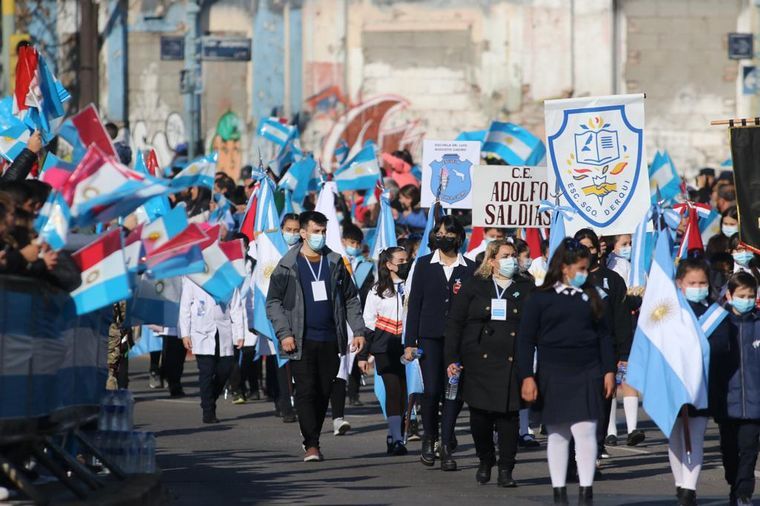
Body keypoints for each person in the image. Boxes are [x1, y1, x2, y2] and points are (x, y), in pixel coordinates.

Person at [518, 238, 615, 505]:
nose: (585, 273)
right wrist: (526, 376)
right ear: (564, 268)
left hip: (588, 370)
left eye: (587, 268)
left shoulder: (593, 296)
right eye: (581, 268)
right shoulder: (539, 298)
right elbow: (525, 340)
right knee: (558, 433)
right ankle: (559, 492)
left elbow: (605, 337)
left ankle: (586, 492)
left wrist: (609, 371)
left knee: (585, 431)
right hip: (553, 371)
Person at [265, 211, 366, 462]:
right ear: (303, 233)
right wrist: (284, 333)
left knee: (323, 391)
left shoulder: (334, 262)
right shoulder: (287, 265)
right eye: (315, 232)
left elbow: (351, 298)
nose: (320, 236)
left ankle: (313, 436)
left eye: (323, 232)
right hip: (300, 339)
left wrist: (359, 330)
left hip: (331, 339)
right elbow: (273, 302)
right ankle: (312, 443)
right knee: (306, 390)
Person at [444, 240, 533, 486]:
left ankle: (506, 469)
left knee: (509, 419)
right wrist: (452, 358)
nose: (512, 260)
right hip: (477, 360)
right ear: (492, 260)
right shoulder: (475, 285)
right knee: (480, 418)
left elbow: (536, 323)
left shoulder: (526, 286)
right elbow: (454, 323)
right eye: (505, 256)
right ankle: (485, 459)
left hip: (513, 360)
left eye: (514, 256)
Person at [405, 215, 477, 471]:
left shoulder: (469, 267)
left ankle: (446, 444)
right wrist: (409, 341)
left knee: (453, 392)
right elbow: (414, 304)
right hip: (429, 337)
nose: (442, 237)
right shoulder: (424, 264)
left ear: (458, 237)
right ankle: (429, 438)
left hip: (458, 341)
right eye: (439, 232)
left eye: (448, 233)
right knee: (432, 390)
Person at [671, 258, 724, 506]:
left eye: (702, 282)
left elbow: (723, 347)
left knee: (696, 434)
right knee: (676, 435)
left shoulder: (715, 313)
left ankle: (689, 491)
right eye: (692, 283)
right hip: (672, 383)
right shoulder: (668, 311)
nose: (698, 286)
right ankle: (680, 484)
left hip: (702, 385)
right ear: (680, 283)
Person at [358, 246, 411, 456]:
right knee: (393, 390)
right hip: (384, 348)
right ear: (389, 265)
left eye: (407, 260)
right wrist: (363, 355)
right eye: (400, 260)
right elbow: (368, 323)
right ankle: (398, 439)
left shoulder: (412, 286)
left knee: (406, 393)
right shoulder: (376, 290)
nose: (405, 264)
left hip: (408, 347)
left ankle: (393, 432)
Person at [714, 272, 760, 506]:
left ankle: (743, 493)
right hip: (727, 403)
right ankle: (734, 484)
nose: (747, 300)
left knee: (749, 450)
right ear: (730, 296)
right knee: (730, 452)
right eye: (742, 295)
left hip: (755, 404)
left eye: (751, 296)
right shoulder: (720, 325)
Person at [179, 278, 245, 423]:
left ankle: (209, 398)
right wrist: (185, 334)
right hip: (202, 332)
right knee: (206, 373)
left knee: (225, 369)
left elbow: (236, 307)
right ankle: (208, 411)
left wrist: (240, 334)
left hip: (223, 331)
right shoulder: (193, 278)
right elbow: (185, 307)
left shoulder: (228, 277)